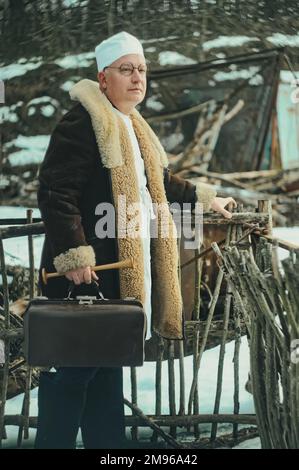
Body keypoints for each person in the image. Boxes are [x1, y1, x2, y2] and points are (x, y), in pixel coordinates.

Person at [35, 31, 236, 449]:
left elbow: (159, 183)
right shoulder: (82, 122)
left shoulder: (134, 127)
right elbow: (56, 192)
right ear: (103, 77)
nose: (137, 77)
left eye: (141, 69)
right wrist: (73, 256)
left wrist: (207, 198)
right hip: (88, 275)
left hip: (124, 273)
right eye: (126, 69)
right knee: (74, 373)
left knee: (105, 371)